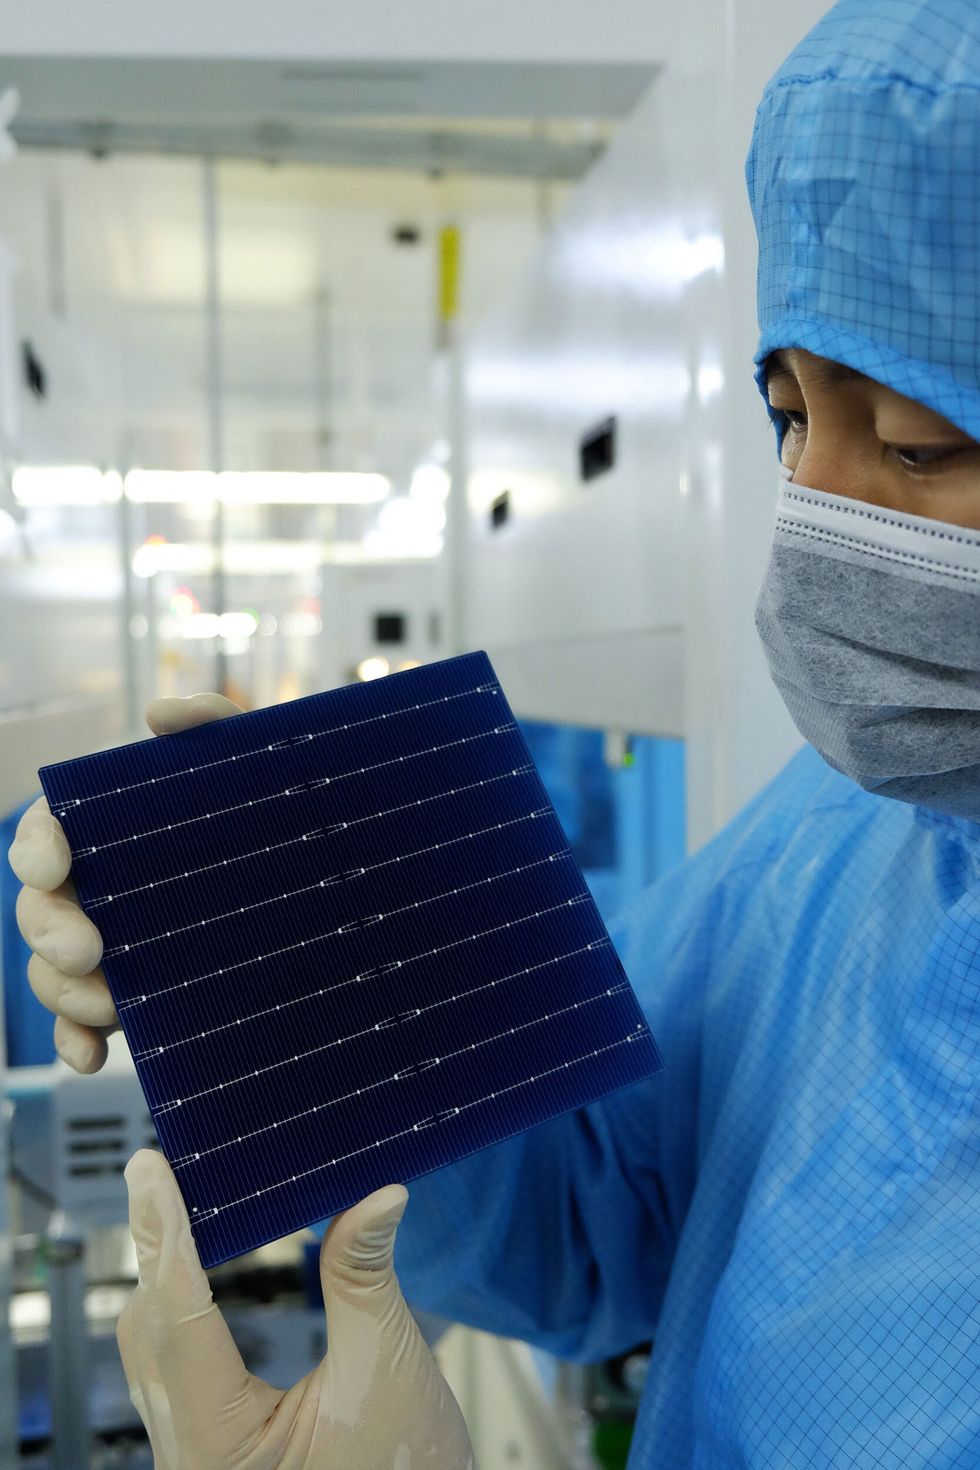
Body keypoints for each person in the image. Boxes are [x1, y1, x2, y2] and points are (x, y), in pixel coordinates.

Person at [10, 0, 980, 1463]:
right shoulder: (860, 826)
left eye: (918, 443)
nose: (820, 515)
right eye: (789, 418)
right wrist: (303, 968)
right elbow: (609, 1203)